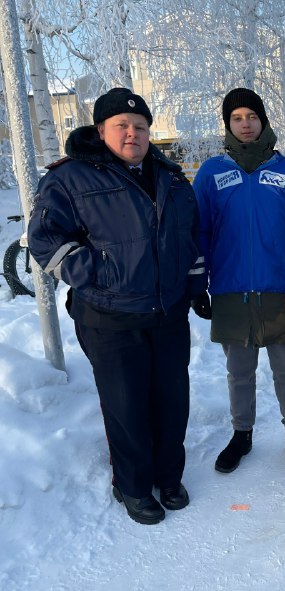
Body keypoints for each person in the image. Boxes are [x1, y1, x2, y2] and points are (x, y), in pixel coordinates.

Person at [28, 88, 206, 525]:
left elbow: (191, 238)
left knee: (171, 399)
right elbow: (45, 240)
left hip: (167, 312)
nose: (132, 133)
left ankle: (168, 476)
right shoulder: (70, 178)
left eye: (140, 126)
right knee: (125, 404)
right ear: (100, 130)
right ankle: (132, 485)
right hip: (110, 316)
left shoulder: (170, 176)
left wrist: (194, 285)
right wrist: (100, 272)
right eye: (122, 126)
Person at [193, 88, 285, 473]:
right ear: (227, 124)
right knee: (239, 371)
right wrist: (198, 282)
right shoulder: (212, 173)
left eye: (251, 116)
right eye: (236, 118)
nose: (245, 124)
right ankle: (241, 433)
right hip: (232, 290)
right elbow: (198, 229)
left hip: (283, 289)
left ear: (263, 121)